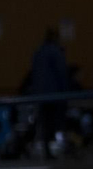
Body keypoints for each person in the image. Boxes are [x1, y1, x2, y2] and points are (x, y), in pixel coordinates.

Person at [28, 28, 71, 158]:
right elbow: (61, 74)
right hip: (54, 94)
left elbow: (34, 74)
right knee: (57, 122)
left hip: (41, 94)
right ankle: (60, 149)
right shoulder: (56, 53)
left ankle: (47, 150)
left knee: (45, 123)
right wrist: (65, 93)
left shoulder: (38, 53)